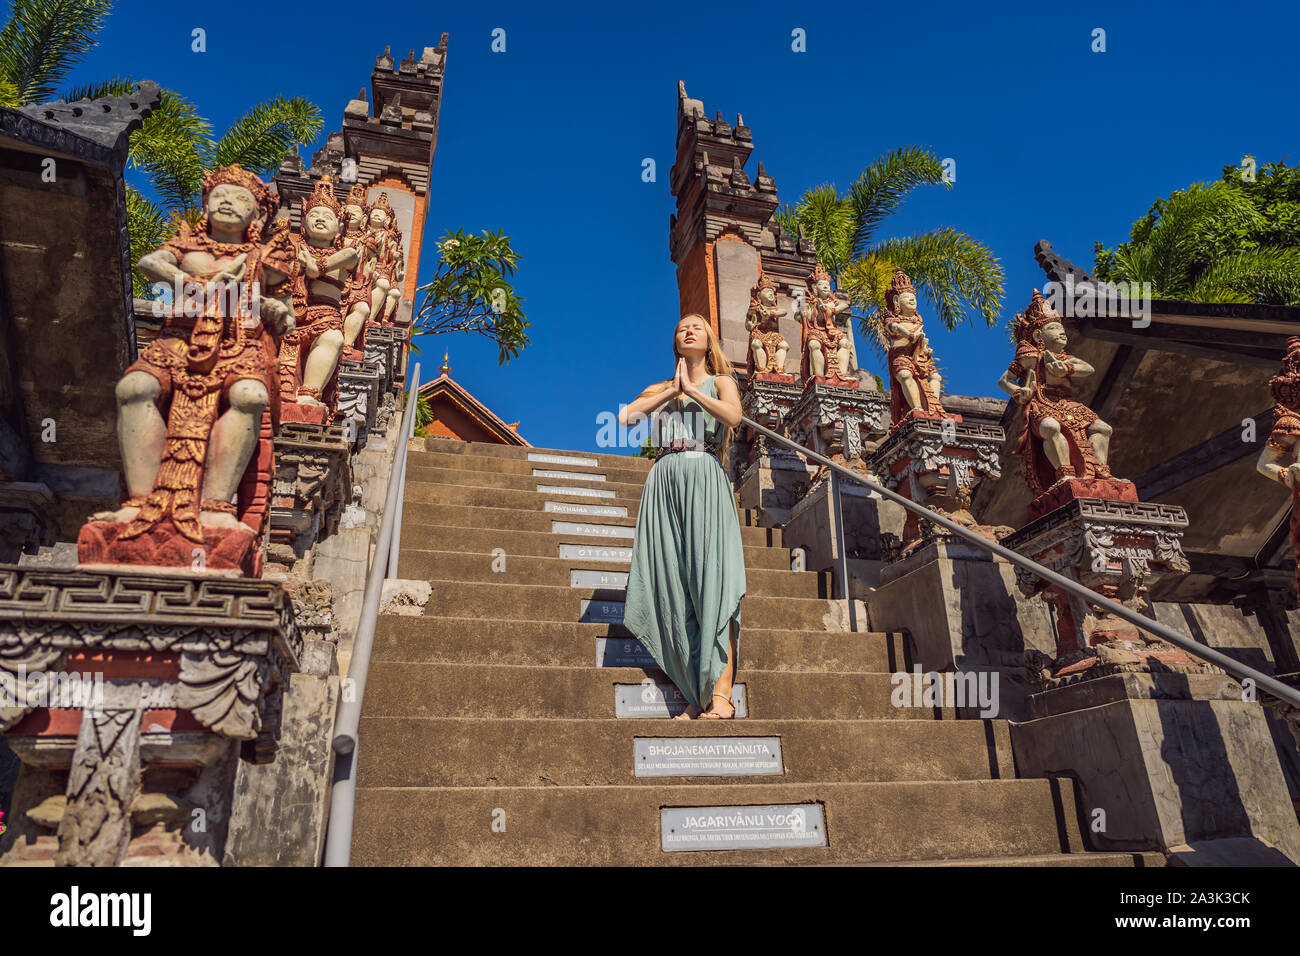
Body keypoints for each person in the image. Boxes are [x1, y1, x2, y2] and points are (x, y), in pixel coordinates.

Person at [618, 314, 747, 719]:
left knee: (712, 581)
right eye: (680, 328)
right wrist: (672, 391)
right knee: (673, 584)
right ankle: (696, 692)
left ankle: (722, 695)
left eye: (696, 327)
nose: (688, 330)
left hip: (704, 476)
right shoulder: (660, 388)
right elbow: (625, 419)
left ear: (709, 341)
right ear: (675, 342)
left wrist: (693, 391)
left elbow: (733, 417)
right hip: (664, 480)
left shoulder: (721, 381)